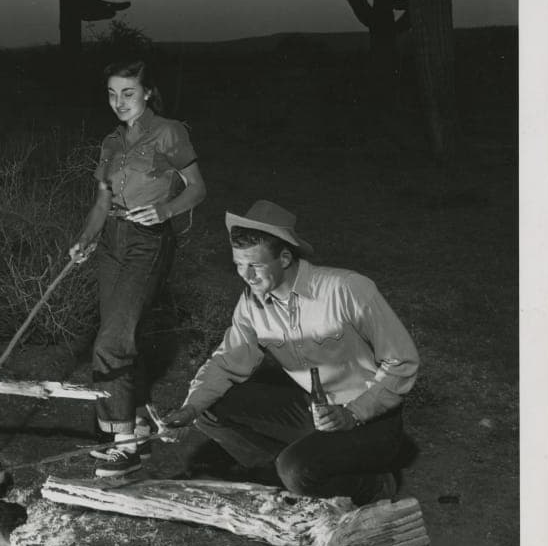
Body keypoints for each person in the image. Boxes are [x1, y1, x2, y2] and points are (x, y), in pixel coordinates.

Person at [161, 200, 419, 505]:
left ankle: (373, 486)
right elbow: (226, 362)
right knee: (207, 406)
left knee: (296, 471)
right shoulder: (252, 302)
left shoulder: (346, 289)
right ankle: (286, 475)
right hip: (316, 411)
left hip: (371, 420)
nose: (246, 275)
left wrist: (353, 414)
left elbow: (403, 362)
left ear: (284, 258)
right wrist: (189, 409)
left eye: (255, 265)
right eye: (238, 265)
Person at [68, 59, 207, 478]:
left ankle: (123, 445)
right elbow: (101, 203)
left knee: (111, 342)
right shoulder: (110, 142)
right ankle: (140, 429)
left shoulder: (169, 131)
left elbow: (198, 187)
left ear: (147, 92)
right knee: (122, 335)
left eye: (128, 92)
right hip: (111, 242)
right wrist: (85, 240)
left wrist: (165, 210)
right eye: (112, 93)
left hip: (147, 243)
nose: (119, 102)